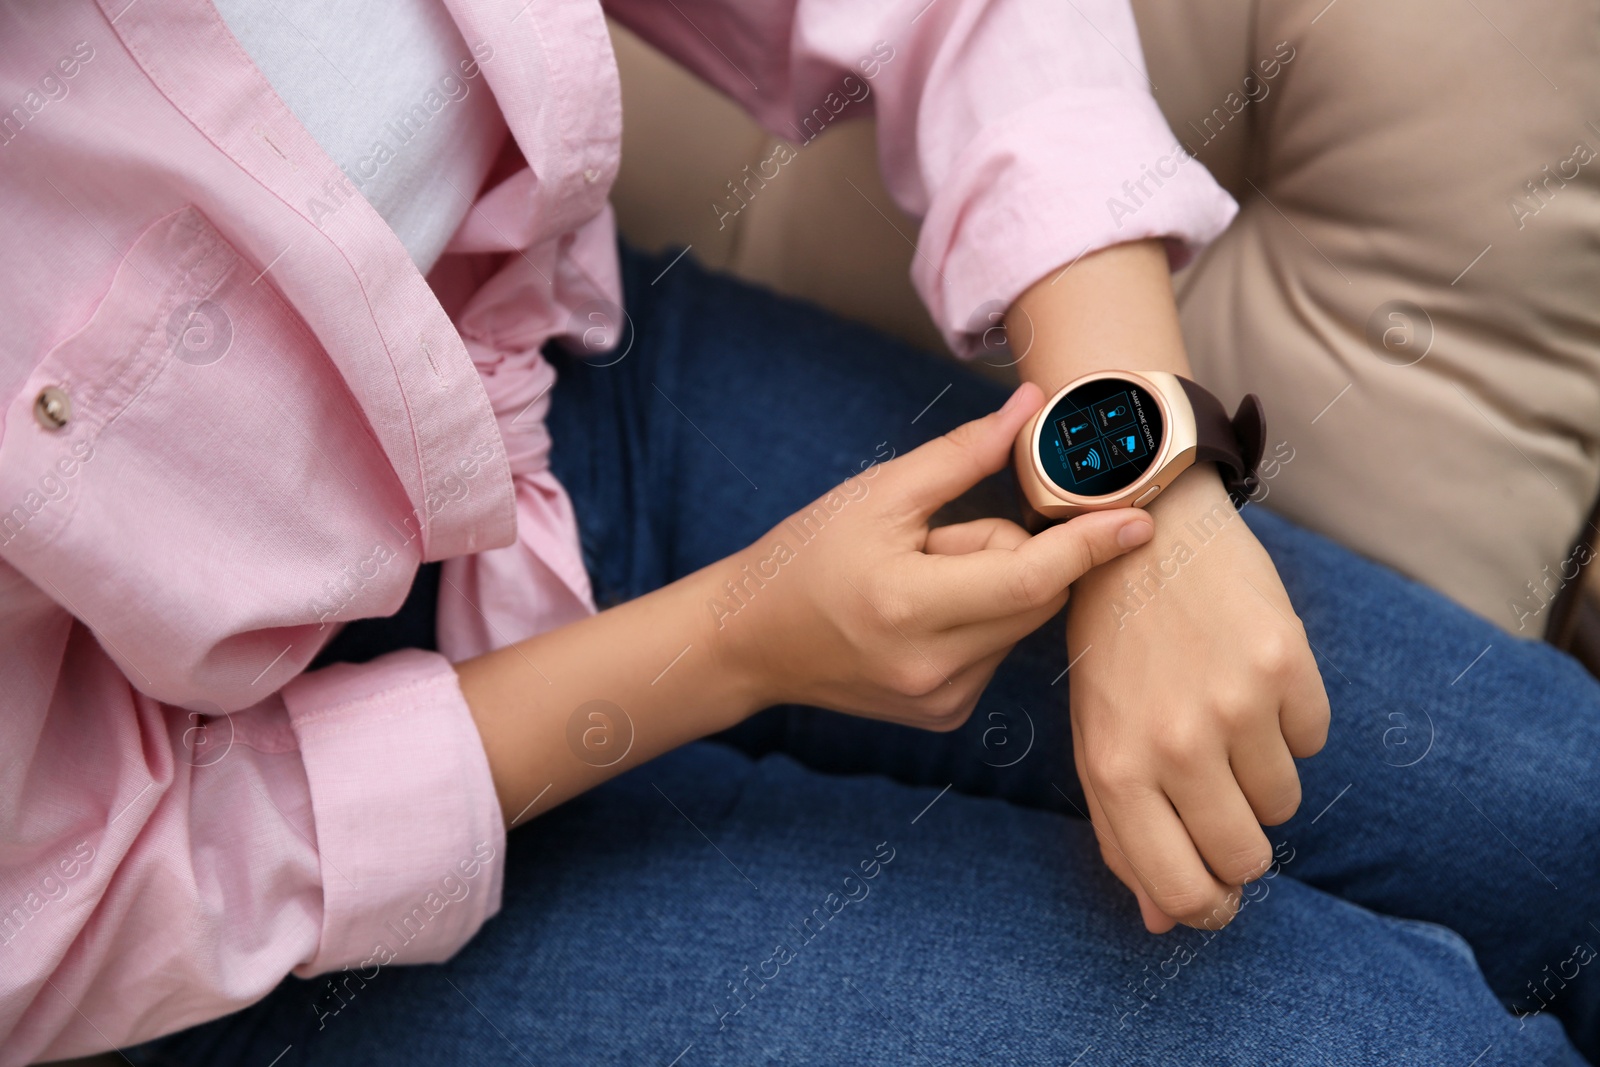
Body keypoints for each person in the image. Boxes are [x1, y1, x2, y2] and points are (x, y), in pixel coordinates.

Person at [0, 0, 1594, 1064]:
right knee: (1372, 1045)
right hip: (242, 891)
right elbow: (60, 908)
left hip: (555, 389)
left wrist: (1137, 477)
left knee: (1562, 820)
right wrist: (736, 644)